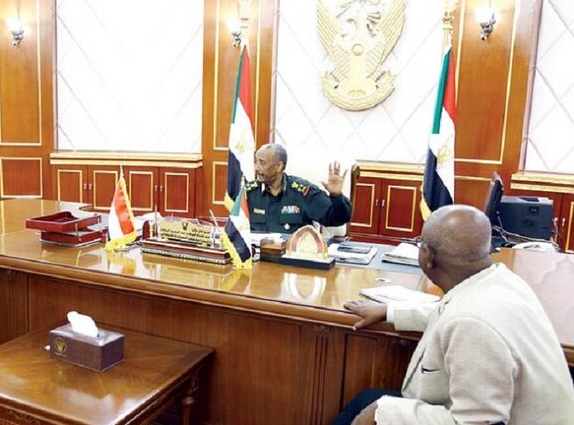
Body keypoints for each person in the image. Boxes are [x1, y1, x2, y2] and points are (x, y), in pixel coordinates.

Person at [337, 205, 574, 425]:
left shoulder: (472, 324)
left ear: (427, 256)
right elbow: (450, 310)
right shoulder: (501, 280)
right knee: (366, 399)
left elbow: (478, 423)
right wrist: (390, 311)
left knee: (373, 405)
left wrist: (383, 413)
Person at [245, 143, 352, 233]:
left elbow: (336, 219)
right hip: (257, 251)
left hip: (293, 250)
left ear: (279, 166)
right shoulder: (248, 193)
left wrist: (336, 196)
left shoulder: (303, 192)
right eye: (256, 161)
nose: (256, 167)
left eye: (262, 163)